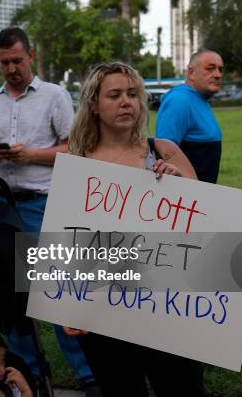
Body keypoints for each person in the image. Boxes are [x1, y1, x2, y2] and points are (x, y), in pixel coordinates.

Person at [0, 27, 96, 392]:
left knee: (57, 290)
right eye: (4, 62)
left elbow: (75, 149)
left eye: (17, 60)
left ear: (31, 56)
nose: (11, 68)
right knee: (13, 297)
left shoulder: (54, 95)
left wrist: (31, 155)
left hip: (41, 202)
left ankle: (87, 375)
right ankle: (28, 372)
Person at [67, 62, 204, 397]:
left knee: (182, 387)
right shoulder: (77, 162)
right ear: (94, 106)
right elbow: (68, 239)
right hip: (104, 308)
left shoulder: (164, 149)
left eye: (133, 94)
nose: (126, 101)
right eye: (114, 95)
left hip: (166, 302)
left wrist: (179, 183)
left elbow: (205, 218)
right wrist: (67, 304)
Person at [155, 50, 224, 183]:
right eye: (210, 69)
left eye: (220, 69)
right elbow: (163, 153)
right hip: (187, 198)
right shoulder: (180, 100)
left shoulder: (199, 98)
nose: (218, 75)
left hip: (202, 195)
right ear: (191, 73)